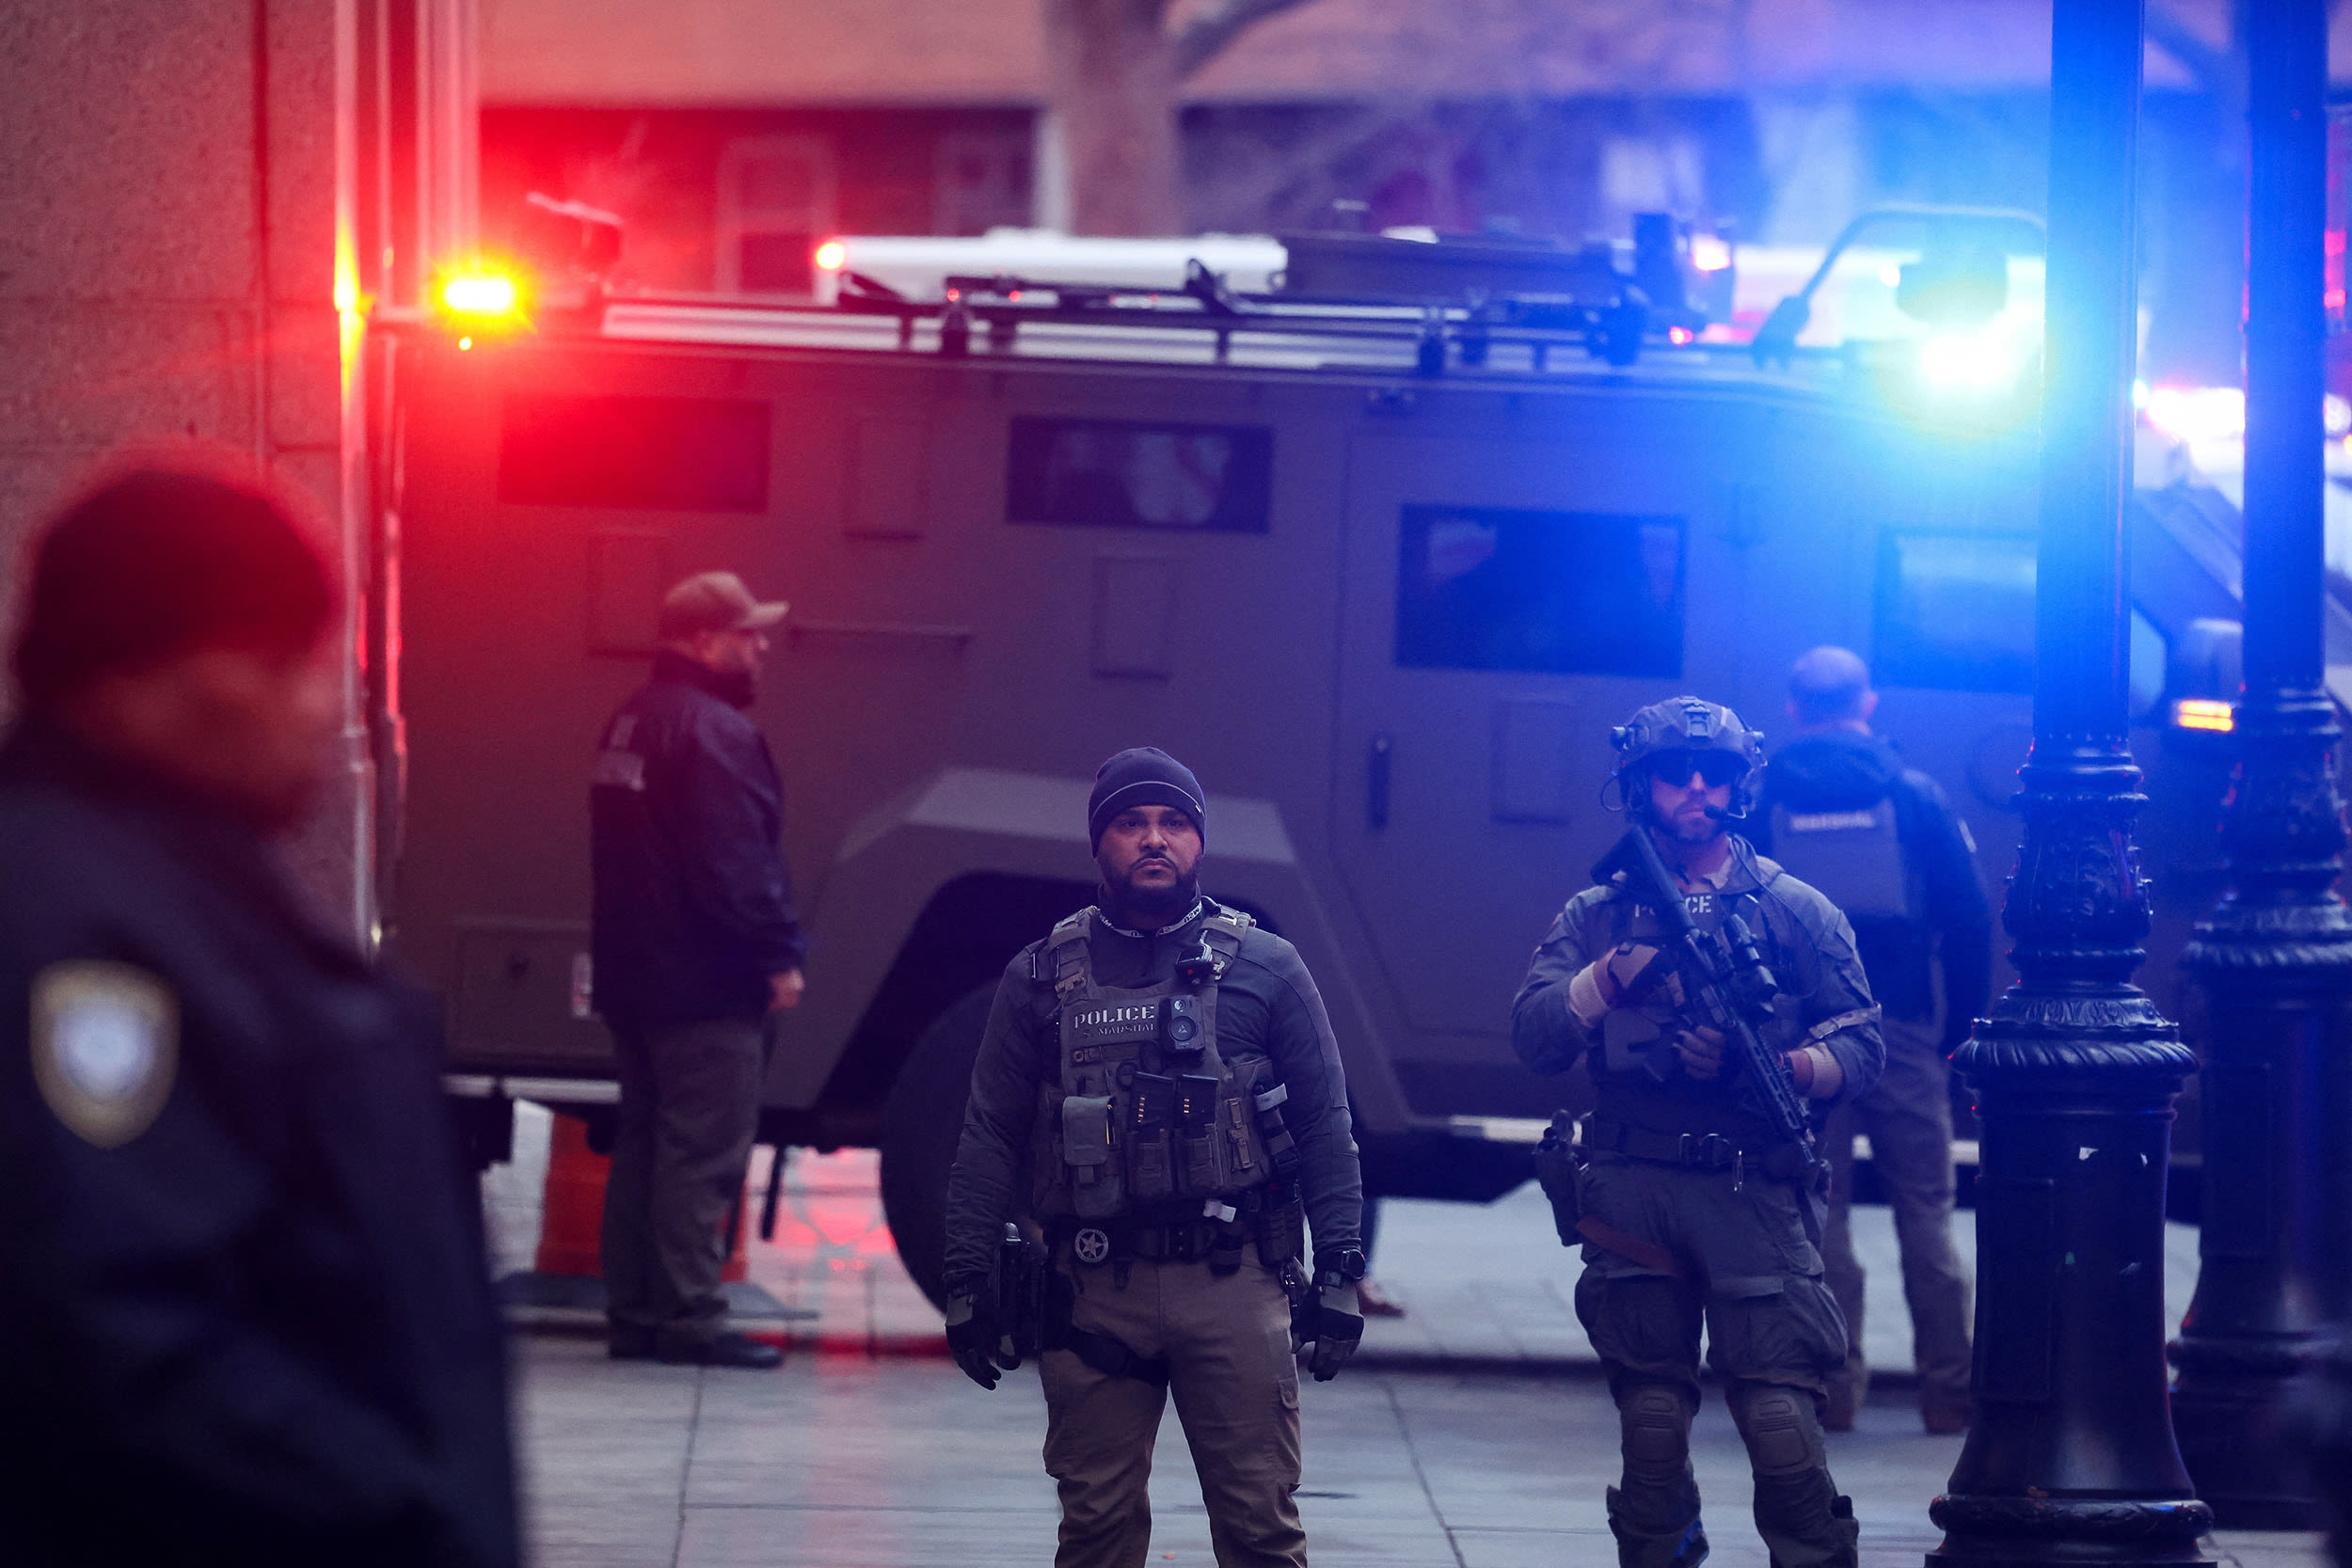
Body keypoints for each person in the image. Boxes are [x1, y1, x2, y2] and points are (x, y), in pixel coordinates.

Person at [0, 460, 519, 1566]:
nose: (320, 708)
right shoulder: (80, 930)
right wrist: (404, 1512)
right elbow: (115, 1325)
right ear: (192, 671)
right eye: (303, 663)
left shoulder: (183, 884)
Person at [943, 747, 1365, 1568]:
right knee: (1094, 1531)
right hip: (1092, 1289)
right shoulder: (1037, 978)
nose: (1154, 839)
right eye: (1131, 823)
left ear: (1200, 842)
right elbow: (988, 1132)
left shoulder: (1267, 969)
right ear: (1099, 842)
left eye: (1174, 822)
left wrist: (1342, 1267)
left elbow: (1325, 1126)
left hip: (1232, 1283)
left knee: (1260, 1531)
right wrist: (966, 1281)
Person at [1512, 696, 1883, 1568]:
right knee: (1649, 1421)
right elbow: (1534, 1035)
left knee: (1782, 1420)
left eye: (1713, 774)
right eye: (1674, 774)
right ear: (1640, 787)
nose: (1695, 789)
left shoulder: (1796, 909)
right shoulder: (1598, 915)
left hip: (1752, 1185)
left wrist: (1783, 1065)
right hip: (1633, 1182)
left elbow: (1863, 1045)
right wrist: (1609, 976)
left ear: (1739, 785)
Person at [1752, 647, 1990, 1434]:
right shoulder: (1913, 795)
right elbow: (1968, 918)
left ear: (1793, 708)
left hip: (1801, 1036)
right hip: (1905, 1027)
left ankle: (1833, 1385)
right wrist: (1961, 1036)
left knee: (1819, 1209)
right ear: (1870, 702)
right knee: (1927, 1210)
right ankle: (1949, 1392)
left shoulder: (1764, 795)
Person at [591, 570, 807, 1370]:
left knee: (645, 1145)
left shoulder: (631, 720)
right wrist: (778, 954)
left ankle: (636, 1314)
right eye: (746, 633)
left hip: (635, 974)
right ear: (700, 640)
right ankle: (691, 1317)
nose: (759, 647)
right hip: (703, 980)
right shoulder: (714, 731)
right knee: (701, 1152)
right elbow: (736, 863)